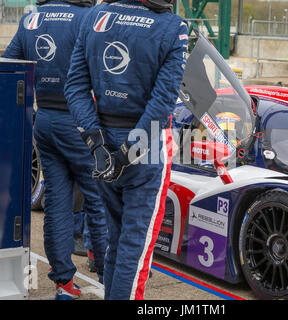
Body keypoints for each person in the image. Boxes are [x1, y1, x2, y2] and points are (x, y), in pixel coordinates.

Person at [64, 0, 188, 300]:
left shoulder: (96, 16)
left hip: (103, 146)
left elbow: (75, 87)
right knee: (134, 250)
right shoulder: (174, 28)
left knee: (117, 243)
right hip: (145, 149)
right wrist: (128, 152)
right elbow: (162, 103)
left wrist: (98, 146)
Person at [2, 0, 108, 300]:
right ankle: (107, 275)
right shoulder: (90, 18)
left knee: (57, 204)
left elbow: (8, 68)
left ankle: (64, 284)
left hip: (44, 121)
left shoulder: (31, 20)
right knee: (98, 200)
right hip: (80, 123)